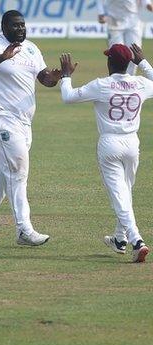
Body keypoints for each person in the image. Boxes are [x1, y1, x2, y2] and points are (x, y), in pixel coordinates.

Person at [0, 9, 61, 247]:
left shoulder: (31, 48)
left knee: (3, 175)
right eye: (15, 26)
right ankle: (23, 230)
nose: (21, 29)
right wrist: (1, 58)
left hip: (24, 121)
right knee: (18, 172)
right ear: (3, 28)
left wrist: (57, 77)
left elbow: (44, 78)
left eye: (23, 25)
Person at [59, 43, 152, 263]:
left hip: (109, 143)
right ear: (129, 63)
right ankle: (119, 239)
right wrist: (143, 62)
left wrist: (65, 76)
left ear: (109, 62)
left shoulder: (101, 85)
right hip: (132, 143)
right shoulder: (140, 83)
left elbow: (68, 97)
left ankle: (136, 240)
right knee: (125, 192)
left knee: (120, 196)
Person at [97, 0, 153, 75]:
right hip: (114, 21)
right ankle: (116, 81)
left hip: (133, 22)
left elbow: (147, 3)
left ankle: (129, 81)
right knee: (116, 53)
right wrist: (101, 13)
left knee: (134, 52)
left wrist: (149, 5)